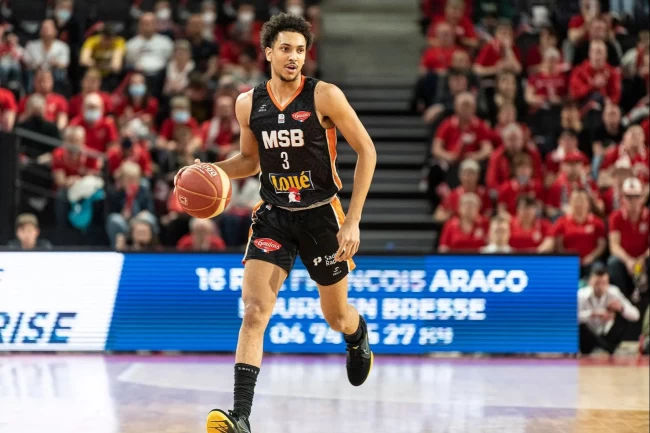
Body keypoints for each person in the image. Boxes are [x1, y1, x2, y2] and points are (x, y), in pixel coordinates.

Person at [174, 14, 377, 433]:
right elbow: (251, 160)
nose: (293, 57)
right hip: (274, 216)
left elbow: (367, 151)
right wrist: (210, 171)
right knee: (254, 312)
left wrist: (353, 220)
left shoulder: (325, 96)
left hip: (321, 215)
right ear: (268, 52)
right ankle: (240, 416)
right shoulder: (248, 103)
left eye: (300, 50)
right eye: (285, 48)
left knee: (335, 316)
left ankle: (357, 335)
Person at [578, 264, 640, 355]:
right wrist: (592, 314)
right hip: (588, 339)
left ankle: (605, 349)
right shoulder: (581, 295)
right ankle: (603, 349)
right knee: (579, 325)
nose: (600, 287)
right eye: (597, 283)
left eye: (603, 283)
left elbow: (636, 315)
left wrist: (621, 308)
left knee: (623, 315)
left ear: (608, 282)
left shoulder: (614, 292)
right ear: (590, 282)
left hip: (608, 335)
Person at [607, 177, 650, 298]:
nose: (633, 200)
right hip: (625, 258)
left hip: (644, 257)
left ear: (642, 198)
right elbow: (614, 246)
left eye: (636, 196)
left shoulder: (648, 215)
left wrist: (642, 259)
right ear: (622, 198)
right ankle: (623, 297)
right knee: (613, 262)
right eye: (629, 197)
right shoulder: (616, 217)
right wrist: (628, 260)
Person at [551, 188, 607, 277]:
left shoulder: (597, 222)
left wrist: (592, 257)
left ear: (588, 203)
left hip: (591, 261)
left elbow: (601, 245)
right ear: (571, 202)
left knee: (598, 268)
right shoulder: (562, 222)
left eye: (581, 200)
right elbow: (559, 246)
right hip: (568, 262)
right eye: (576, 200)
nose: (579, 204)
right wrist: (569, 259)